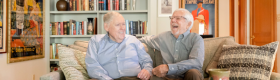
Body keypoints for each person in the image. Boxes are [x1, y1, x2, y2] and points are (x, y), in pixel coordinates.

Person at [85, 11, 153, 80]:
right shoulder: (96, 41)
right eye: (117, 25)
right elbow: (92, 66)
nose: (122, 28)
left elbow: (146, 61)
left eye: (123, 24)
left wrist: (147, 70)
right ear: (106, 27)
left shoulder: (133, 40)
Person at [140, 9, 204, 80]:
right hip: (168, 78)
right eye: (172, 18)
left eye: (178, 18)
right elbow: (143, 40)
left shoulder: (196, 39)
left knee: (193, 72)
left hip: (188, 76)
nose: (173, 20)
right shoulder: (162, 37)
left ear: (188, 24)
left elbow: (196, 62)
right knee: (154, 77)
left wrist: (168, 68)